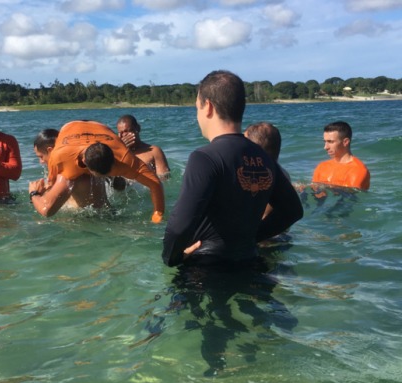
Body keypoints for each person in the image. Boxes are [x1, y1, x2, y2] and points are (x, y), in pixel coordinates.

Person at [162, 70, 303, 267]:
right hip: (249, 262)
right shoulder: (264, 157)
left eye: (197, 108)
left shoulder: (204, 157)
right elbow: (293, 211)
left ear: (208, 107)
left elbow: (179, 226)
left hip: (207, 268)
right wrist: (252, 237)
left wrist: (172, 258)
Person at [28, 120, 165, 223]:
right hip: (71, 128)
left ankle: (113, 180)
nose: (41, 161)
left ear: (115, 163)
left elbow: (155, 184)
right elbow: (50, 190)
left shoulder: (125, 159)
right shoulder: (61, 158)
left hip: (102, 130)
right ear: (86, 165)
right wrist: (47, 188)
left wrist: (158, 214)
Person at [33, 128, 108, 209]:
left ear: (51, 150)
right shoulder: (88, 163)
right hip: (104, 214)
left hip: (86, 219)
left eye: (41, 156)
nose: (41, 161)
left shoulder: (68, 174)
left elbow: (47, 209)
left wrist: (34, 193)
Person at [244, 122, 290, 220]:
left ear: (255, 148)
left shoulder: (267, 175)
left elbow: (264, 216)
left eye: (244, 142)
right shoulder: (282, 173)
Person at [311, 121, 370, 190]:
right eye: (325, 141)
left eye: (330, 142)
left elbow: (348, 198)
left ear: (345, 142)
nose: (325, 147)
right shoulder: (321, 167)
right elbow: (314, 193)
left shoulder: (358, 170)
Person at [116, 114, 170, 180]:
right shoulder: (116, 154)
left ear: (138, 128)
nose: (123, 135)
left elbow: (165, 180)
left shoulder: (154, 151)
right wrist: (122, 150)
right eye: (120, 133)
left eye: (127, 131)